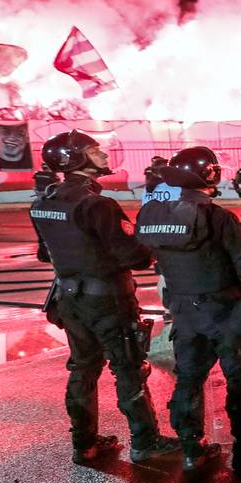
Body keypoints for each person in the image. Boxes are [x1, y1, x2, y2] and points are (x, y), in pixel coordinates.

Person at [30, 130, 180, 465]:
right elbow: (134, 256)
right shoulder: (98, 204)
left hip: (68, 299)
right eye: (94, 150)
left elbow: (45, 254)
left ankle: (84, 443)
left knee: (83, 369)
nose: (103, 154)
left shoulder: (43, 203)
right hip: (108, 300)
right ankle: (145, 441)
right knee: (128, 368)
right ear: (77, 159)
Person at [135, 147, 241, 473]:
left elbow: (142, 256)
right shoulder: (218, 217)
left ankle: (191, 449)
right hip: (223, 309)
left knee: (189, 378)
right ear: (209, 174)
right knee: (239, 378)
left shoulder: (155, 215)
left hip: (182, 309)